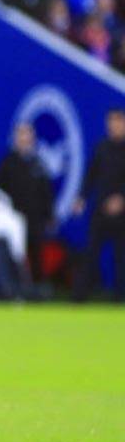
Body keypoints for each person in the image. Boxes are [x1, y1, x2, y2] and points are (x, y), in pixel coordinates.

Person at [74, 109, 125, 301]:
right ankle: (78, 298)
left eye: (118, 121)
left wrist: (121, 198)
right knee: (90, 253)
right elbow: (91, 175)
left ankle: (121, 298)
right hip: (100, 211)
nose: (114, 125)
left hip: (123, 214)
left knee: (121, 257)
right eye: (111, 121)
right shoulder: (101, 147)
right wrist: (81, 197)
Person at [0, 123, 53, 283]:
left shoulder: (39, 163)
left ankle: (38, 288)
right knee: (15, 255)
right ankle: (16, 288)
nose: (24, 138)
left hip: (35, 218)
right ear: (15, 138)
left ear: (32, 137)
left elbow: (46, 192)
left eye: (27, 134)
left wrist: (49, 215)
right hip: (14, 218)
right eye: (20, 134)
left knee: (36, 254)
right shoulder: (7, 163)